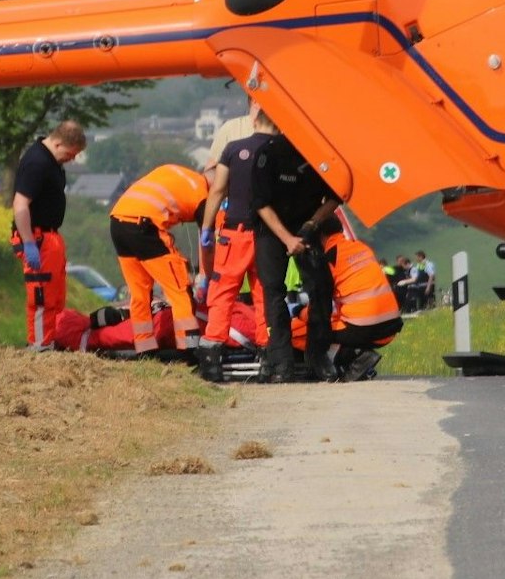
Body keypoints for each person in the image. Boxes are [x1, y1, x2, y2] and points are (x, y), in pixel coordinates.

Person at [249, 127, 341, 382]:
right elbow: (260, 204)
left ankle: (318, 355)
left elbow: (336, 196)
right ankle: (281, 362)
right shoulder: (268, 153)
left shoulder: (320, 154)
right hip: (271, 227)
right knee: (273, 290)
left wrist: (312, 225)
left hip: (307, 223)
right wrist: (287, 238)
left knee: (321, 286)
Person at [196, 108, 278, 382]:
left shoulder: (233, 148)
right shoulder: (284, 151)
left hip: (234, 234)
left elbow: (217, 190)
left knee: (223, 294)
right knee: (264, 294)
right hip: (268, 236)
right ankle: (268, 359)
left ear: (255, 121)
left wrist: (207, 228)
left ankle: (212, 362)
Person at [107, 163, 209, 355]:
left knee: (140, 294)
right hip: (144, 226)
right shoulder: (204, 196)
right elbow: (208, 242)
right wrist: (206, 276)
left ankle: (144, 349)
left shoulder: (175, 172)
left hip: (117, 222)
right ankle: (190, 350)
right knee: (180, 288)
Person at [11, 120, 86, 348]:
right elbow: (20, 205)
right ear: (58, 142)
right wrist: (28, 242)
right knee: (41, 296)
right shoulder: (37, 162)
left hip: (49, 237)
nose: (71, 159)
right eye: (70, 154)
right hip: (36, 237)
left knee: (55, 297)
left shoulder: (51, 161)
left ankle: (51, 341)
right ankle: (39, 347)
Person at [315, 218, 404, 381]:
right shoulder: (362, 247)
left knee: (317, 328)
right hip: (391, 326)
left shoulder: (329, 258)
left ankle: (357, 357)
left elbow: (320, 305)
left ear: (320, 235)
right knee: (339, 324)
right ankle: (357, 360)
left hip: (363, 328)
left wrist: (300, 314)